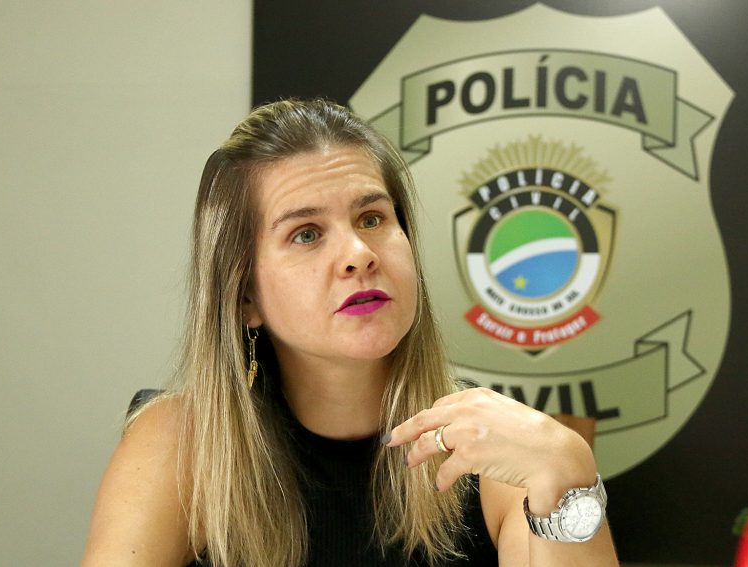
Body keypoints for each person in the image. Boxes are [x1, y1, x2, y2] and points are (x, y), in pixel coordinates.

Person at [82, 99, 618, 567]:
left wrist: (567, 470)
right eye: (306, 234)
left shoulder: (491, 448)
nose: (359, 255)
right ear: (246, 297)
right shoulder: (180, 443)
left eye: (372, 219)